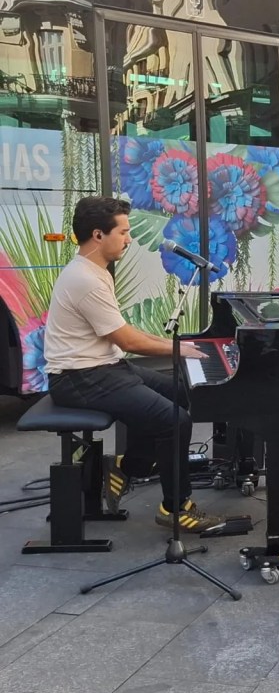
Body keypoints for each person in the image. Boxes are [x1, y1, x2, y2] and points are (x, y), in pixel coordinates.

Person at [43, 196, 226, 533]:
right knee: (176, 422)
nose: (129, 239)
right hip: (80, 378)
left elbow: (122, 333)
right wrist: (180, 349)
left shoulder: (94, 271)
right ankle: (175, 508)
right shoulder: (86, 279)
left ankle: (128, 466)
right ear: (98, 235)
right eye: (124, 232)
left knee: (183, 392)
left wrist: (179, 345)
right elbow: (127, 341)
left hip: (105, 368)